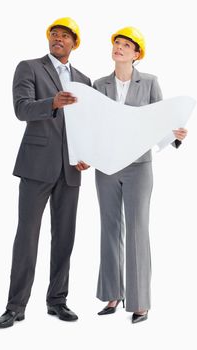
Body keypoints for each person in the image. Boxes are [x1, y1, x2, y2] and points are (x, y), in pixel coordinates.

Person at [0, 17, 91, 328]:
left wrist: (86, 154)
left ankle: (57, 300)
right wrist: (52, 102)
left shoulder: (84, 80)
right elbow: (21, 109)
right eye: (54, 35)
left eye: (65, 36)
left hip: (70, 168)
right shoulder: (29, 67)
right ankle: (15, 306)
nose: (58, 39)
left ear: (75, 43)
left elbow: (86, 127)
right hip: (36, 166)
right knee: (27, 236)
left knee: (65, 238)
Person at [93, 26, 187, 323]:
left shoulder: (149, 82)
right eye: (116, 43)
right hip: (106, 166)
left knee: (137, 230)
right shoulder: (99, 84)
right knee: (109, 229)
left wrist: (176, 135)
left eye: (125, 45)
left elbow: (161, 119)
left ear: (136, 54)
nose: (118, 47)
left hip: (139, 167)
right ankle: (112, 294)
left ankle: (140, 302)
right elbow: (91, 124)